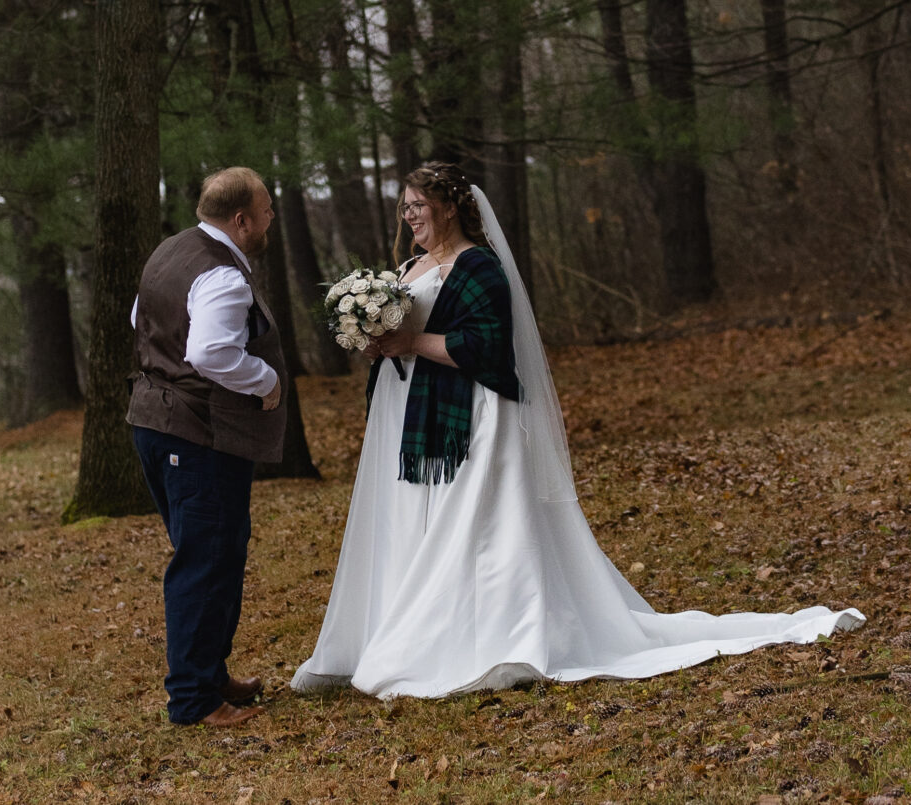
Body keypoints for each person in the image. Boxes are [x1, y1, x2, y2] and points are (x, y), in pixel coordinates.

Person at [291, 161, 864, 700]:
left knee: (470, 526)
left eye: (419, 205)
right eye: (406, 207)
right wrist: (371, 340)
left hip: (474, 414)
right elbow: (403, 332)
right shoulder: (408, 269)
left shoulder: (478, 267)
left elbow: (486, 346)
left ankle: (473, 637)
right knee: (413, 520)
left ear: (448, 208)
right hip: (411, 414)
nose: (409, 215)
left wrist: (410, 343)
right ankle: (397, 624)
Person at [127, 166, 286, 726]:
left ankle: (211, 674)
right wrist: (266, 382)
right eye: (266, 210)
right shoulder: (223, 276)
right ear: (241, 220)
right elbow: (211, 353)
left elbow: (140, 318)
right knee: (205, 559)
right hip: (195, 434)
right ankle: (194, 700)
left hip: (154, 423)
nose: (271, 218)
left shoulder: (170, 250)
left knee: (217, 551)